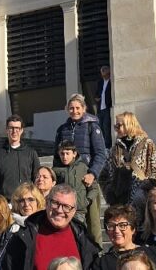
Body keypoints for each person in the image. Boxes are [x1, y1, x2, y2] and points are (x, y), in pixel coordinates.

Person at [2, 184, 101, 270]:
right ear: (47, 203)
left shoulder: (84, 239)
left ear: (74, 210)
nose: (59, 210)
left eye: (66, 206)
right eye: (55, 203)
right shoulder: (24, 237)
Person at [54, 94, 108, 245]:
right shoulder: (62, 129)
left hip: (86, 181)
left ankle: (96, 254)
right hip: (67, 181)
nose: (75, 111)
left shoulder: (92, 126)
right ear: (67, 110)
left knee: (93, 224)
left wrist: (92, 173)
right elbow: (56, 157)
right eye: (71, 108)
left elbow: (100, 154)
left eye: (78, 108)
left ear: (84, 109)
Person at [100, 112, 156, 210]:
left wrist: (145, 190)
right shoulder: (115, 149)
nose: (117, 129)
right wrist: (108, 192)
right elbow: (104, 175)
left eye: (119, 125)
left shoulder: (147, 144)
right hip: (119, 202)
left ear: (129, 124)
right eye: (115, 126)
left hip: (141, 201)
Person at [94, 204, 156, 270]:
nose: (116, 230)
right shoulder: (102, 263)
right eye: (111, 226)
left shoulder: (153, 253)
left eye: (122, 225)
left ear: (133, 229)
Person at [52, 141, 99, 244]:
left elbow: (94, 188)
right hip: (62, 211)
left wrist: (86, 201)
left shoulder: (83, 168)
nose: (64, 157)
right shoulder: (56, 170)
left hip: (79, 211)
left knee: (78, 237)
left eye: (67, 153)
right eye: (62, 153)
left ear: (74, 153)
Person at [0, 115, 39, 199]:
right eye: (11, 128)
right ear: (6, 130)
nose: (14, 131)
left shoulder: (31, 153)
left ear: (21, 130)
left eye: (17, 128)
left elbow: (36, 177)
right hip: (4, 201)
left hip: (26, 200)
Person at [97, 66, 114, 149]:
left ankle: (108, 145)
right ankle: (103, 145)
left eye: (106, 74)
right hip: (100, 108)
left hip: (107, 108)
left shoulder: (111, 82)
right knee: (100, 127)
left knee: (106, 127)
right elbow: (97, 93)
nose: (105, 76)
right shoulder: (100, 82)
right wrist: (97, 98)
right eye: (103, 75)